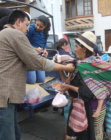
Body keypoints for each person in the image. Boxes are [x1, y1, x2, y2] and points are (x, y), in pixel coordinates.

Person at [0, 10, 74, 140]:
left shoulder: (5, 34)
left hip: (8, 95)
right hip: (5, 94)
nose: (29, 29)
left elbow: (23, 64)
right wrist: (65, 67)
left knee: (13, 129)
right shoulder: (14, 34)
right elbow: (36, 62)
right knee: (8, 133)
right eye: (27, 25)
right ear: (18, 22)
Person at [59, 31, 111, 140]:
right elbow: (67, 81)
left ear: (84, 49)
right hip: (81, 107)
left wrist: (68, 87)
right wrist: (61, 69)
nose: (74, 49)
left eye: (76, 46)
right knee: (84, 134)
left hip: (94, 108)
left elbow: (88, 92)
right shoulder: (78, 64)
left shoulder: (92, 66)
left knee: (95, 134)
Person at [26, 15, 51, 84]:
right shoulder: (31, 28)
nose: (38, 27)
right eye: (37, 25)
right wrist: (34, 49)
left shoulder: (45, 32)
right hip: (30, 57)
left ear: (45, 27)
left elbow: (44, 44)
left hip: (40, 57)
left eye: (41, 27)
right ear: (35, 22)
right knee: (31, 81)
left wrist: (45, 50)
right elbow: (23, 42)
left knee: (41, 79)